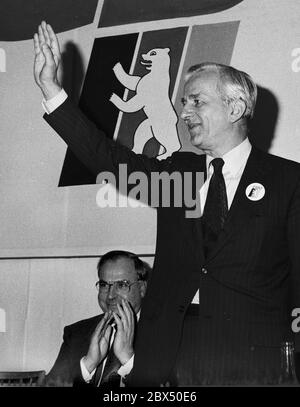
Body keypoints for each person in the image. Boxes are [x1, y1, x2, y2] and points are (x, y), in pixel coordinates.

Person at [34, 22, 300, 386]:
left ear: (236, 107)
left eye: (197, 102)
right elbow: (108, 158)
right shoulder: (179, 177)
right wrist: (52, 91)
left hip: (254, 370)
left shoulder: (288, 181)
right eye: (183, 102)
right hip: (166, 367)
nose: (184, 112)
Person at [45, 250, 149, 387]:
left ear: (142, 288)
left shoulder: (166, 335)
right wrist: (86, 366)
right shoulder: (76, 333)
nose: (111, 295)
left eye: (122, 285)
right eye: (104, 285)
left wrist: (129, 360)